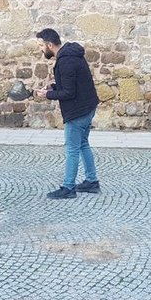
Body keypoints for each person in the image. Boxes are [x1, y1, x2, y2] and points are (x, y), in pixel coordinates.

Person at [35, 28, 100, 199]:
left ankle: (68, 188)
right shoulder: (72, 56)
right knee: (83, 144)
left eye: (41, 46)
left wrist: (47, 94)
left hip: (77, 112)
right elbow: (72, 85)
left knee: (72, 149)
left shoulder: (65, 62)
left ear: (50, 45)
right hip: (87, 107)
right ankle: (92, 181)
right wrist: (54, 87)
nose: (41, 49)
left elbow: (69, 93)